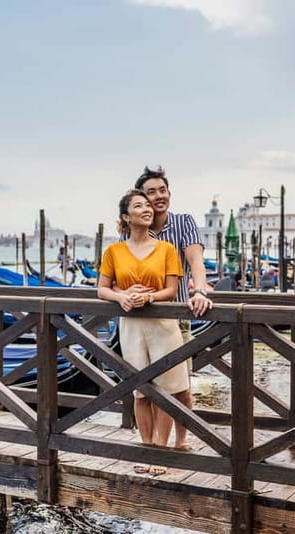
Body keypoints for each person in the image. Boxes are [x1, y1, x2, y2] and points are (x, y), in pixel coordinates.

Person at [97, 189, 189, 475]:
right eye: (139, 206)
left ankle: (160, 451)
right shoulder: (114, 251)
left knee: (165, 390)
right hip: (131, 326)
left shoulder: (166, 249)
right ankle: (146, 447)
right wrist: (122, 297)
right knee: (140, 392)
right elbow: (102, 289)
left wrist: (148, 298)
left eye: (148, 206)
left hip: (162, 323)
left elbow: (171, 290)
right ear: (126, 216)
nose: (147, 209)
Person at [122, 166, 212, 452]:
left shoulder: (183, 222)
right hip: (140, 321)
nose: (158, 196)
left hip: (175, 317)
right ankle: (153, 446)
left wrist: (200, 289)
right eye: (151, 193)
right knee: (145, 388)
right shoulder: (136, 233)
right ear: (142, 200)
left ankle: (181, 441)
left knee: (180, 386)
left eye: (162, 190)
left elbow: (195, 259)